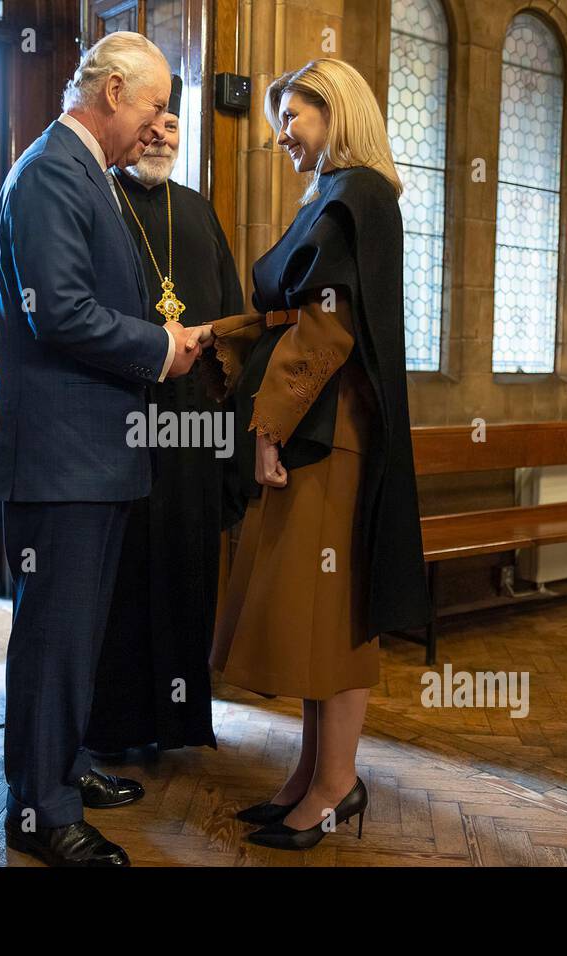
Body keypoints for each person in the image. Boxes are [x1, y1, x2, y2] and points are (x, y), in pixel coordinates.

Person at [193, 59, 431, 850]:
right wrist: (218, 335)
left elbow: (327, 327)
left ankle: (337, 783)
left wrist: (267, 429)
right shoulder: (334, 193)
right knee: (310, 615)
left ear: (339, 113)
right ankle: (310, 773)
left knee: (335, 616)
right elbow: (287, 313)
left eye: (294, 117)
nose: (282, 135)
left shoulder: (359, 192)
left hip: (329, 437)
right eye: (279, 120)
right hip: (312, 425)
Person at [0, 32, 206, 867]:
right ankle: (39, 809)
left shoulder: (88, 176)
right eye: (152, 109)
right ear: (113, 91)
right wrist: (159, 348)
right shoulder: (50, 172)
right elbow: (61, 312)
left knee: (78, 634)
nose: (158, 127)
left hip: (92, 452)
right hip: (60, 453)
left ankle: (64, 766)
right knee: (53, 637)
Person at [84, 75, 244, 757]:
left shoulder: (200, 210)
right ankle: (116, 727)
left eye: (173, 127)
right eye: (152, 122)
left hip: (192, 429)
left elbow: (234, 316)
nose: (160, 135)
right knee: (122, 580)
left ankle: (178, 724)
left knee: (184, 569)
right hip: (123, 422)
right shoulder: (100, 199)